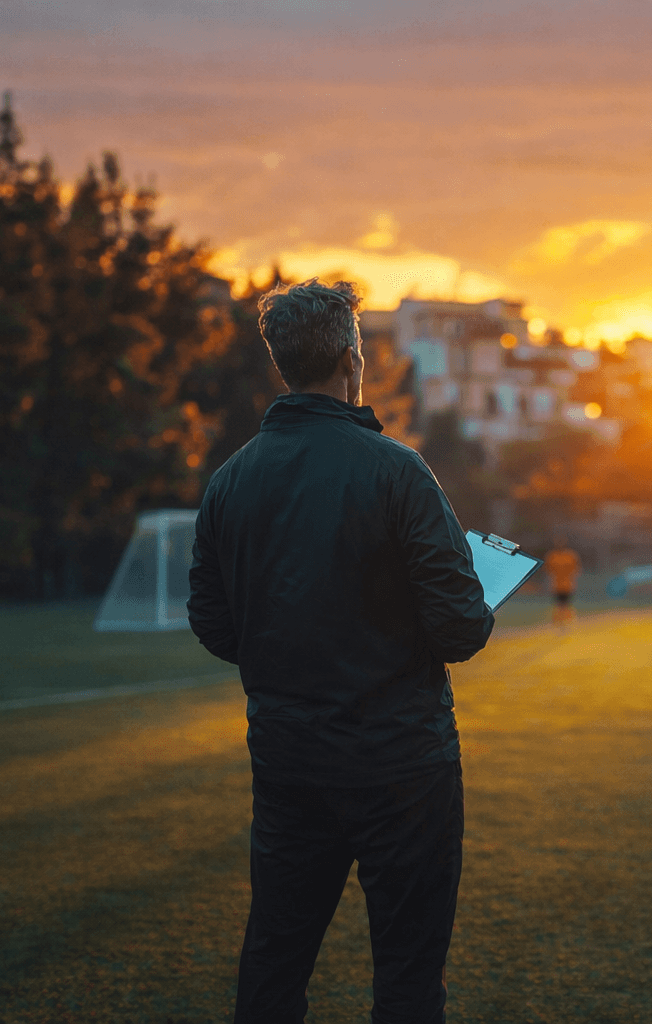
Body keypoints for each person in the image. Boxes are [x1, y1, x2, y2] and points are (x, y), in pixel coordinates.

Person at [188, 279, 493, 1024]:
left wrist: (292, 648)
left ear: (283, 363)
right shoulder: (398, 470)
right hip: (402, 767)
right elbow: (460, 630)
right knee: (409, 977)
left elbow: (213, 623)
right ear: (353, 360)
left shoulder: (230, 480)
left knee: (275, 960)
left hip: (289, 759)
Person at [543, 535, 582, 630]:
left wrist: (574, 581)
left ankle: (565, 622)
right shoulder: (552, 556)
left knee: (564, 604)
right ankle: (562, 622)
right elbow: (548, 572)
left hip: (567, 584)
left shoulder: (570, 556)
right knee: (560, 604)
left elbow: (576, 570)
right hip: (556, 585)